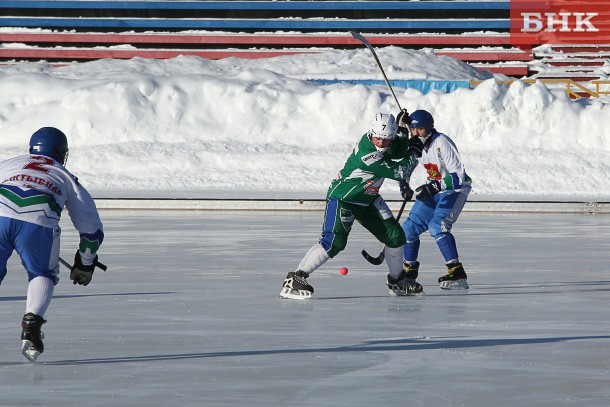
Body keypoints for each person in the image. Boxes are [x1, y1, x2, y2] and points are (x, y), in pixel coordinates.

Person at [279, 112, 424, 300]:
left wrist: (403, 133)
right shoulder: (368, 155)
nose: (380, 144)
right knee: (334, 242)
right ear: (371, 133)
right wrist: (413, 152)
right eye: (377, 139)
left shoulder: (379, 143)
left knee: (395, 236)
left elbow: (395, 151)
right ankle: (295, 278)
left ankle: (397, 280)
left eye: (386, 140)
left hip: (368, 199)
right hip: (344, 199)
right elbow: (401, 171)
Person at [0, 127, 105, 362]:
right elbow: (92, 231)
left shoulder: (8, 164)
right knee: (42, 274)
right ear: (61, 152)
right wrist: (85, 263)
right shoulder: (65, 176)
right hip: (38, 221)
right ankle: (32, 323)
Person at [396, 109, 472, 290]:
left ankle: (456, 270)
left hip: (454, 190)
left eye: (420, 129)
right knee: (408, 229)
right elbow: (405, 164)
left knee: (438, 226)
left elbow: (458, 176)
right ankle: (410, 270)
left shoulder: (442, 142)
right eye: (413, 129)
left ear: (429, 128)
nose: (416, 133)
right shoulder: (417, 145)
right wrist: (404, 184)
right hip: (434, 189)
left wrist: (435, 186)